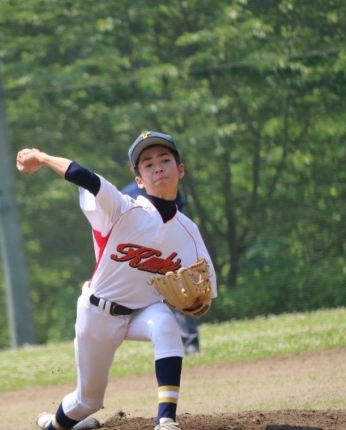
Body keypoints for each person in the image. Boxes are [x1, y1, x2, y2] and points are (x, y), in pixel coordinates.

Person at [16, 131, 218, 430]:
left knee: (166, 324)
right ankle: (53, 425)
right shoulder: (122, 207)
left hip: (142, 312)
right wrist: (42, 158)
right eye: (147, 164)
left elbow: (206, 287)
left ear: (180, 169)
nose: (158, 167)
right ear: (139, 180)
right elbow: (85, 177)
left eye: (164, 160)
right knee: (88, 402)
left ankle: (166, 420)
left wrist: (198, 301)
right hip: (98, 314)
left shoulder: (188, 231)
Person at [119, 180, 201, 356]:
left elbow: (178, 217)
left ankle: (191, 343)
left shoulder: (165, 187)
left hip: (171, 251)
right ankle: (166, 347)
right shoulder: (126, 194)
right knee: (154, 302)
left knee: (182, 295)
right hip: (144, 257)